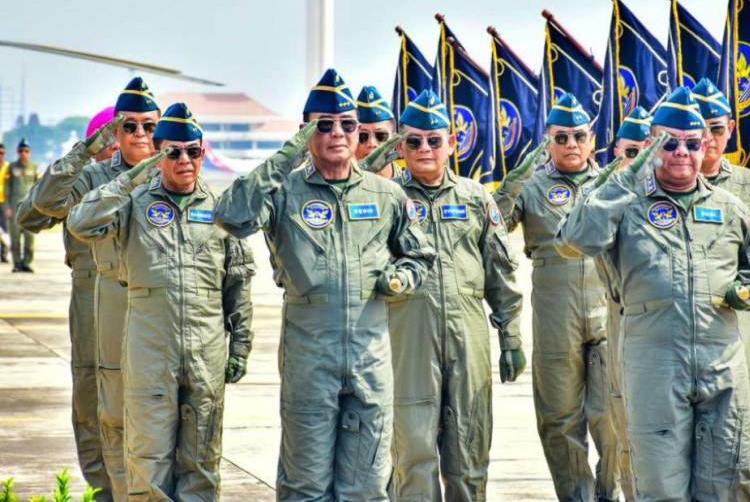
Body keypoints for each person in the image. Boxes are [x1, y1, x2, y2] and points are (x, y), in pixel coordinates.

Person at [213, 69, 436, 501]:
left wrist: (400, 279)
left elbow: (420, 254)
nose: (338, 133)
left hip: (370, 359)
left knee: (367, 487)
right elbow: (232, 217)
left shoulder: (386, 195)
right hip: (309, 356)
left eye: (348, 125)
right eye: (324, 124)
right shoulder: (283, 191)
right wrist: (285, 157)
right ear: (305, 131)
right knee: (305, 485)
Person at [554, 87, 750, 500]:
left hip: (722, 365)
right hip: (654, 367)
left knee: (729, 479)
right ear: (653, 143)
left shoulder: (730, 207)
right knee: (658, 485)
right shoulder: (625, 206)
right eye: (668, 142)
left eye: (691, 143)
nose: (681, 152)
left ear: (705, 145)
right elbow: (574, 241)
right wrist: (625, 177)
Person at [68, 103, 255, 500]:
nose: (185, 160)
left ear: (203, 154)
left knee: (202, 464)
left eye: (193, 151)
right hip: (150, 355)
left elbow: (238, 285)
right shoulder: (132, 205)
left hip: (205, 356)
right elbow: (81, 223)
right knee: (148, 463)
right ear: (158, 154)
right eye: (173, 151)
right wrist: (132, 178)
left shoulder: (221, 210)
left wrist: (240, 347)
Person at [374, 89, 524, 501]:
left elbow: (500, 273)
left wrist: (510, 339)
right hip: (408, 337)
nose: (425, 149)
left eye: (434, 140)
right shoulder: (387, 199)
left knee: (469, 449)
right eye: (415, 141)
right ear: (400, 146)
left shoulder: (475, 198)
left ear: (451, 143)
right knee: (413, 452)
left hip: (468, 335)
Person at [31, 77, 161, 498]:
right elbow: (46, 204)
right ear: (115, 132)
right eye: (130, 126)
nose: (141, 134)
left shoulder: (176, 173)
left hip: (154, 306)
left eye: (150, 125)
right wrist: (86, 149)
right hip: (96, 301)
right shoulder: (93, 176)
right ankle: (105, 492)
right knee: (94, 407)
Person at [494, 93, 620, 501]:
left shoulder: (611, 184)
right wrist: (510, 185)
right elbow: (492, 230)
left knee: (612, 414)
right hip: (554, 310)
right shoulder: (531, 188)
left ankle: (608, 491)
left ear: (592, 139)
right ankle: (575, 495)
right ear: (548, 141)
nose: (571, 145)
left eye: (579, 136)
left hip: (606, 311)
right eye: (561, 137)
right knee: (559, 419)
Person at [16, 107, 123, 500]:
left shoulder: (155, 179)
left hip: (140, 311)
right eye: (112, 135)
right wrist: (74, 168)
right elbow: (30, 216)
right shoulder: (78, 184)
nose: (119, 144)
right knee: (92, 409)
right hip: (91, 310)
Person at [692, 77, 750, 382]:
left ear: (729, 129)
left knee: (734, 422)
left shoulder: (747, 183)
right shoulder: (666, 185)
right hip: (679, 325)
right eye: (699, 129)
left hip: (733, 316)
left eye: (716, 128)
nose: (708, 138)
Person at [593, 105, 652, 501]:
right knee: (621, 418)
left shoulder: (664, 194)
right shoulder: (605, 196)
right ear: (617, 152)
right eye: (632, 152)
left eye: (648, 149)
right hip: (618, 322)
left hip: (664, 329)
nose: (641, 160)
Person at [5, 138, 39, 272]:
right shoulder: (12, 167)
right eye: (20, 151)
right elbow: (7, 188)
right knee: (15, 238)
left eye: (26, 151)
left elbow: (39, 187)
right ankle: (17, 264)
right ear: (17, 152)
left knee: (30, 239)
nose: (23, 153)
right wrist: (7, 206)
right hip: (14, 208)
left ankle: (27, 263)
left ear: (29, 152)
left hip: (30, 209)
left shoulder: (34, 167)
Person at [355, 85, 403, 180]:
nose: (371, 144)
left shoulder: (410, 187)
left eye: (380, 136)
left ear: (395, 142)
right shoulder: (338, 189)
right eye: (362, 136)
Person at [0, 142, 9, 263]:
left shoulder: (9, 168)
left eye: (1, 153)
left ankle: (4, 252)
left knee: (5, 230)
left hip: (5, 203)